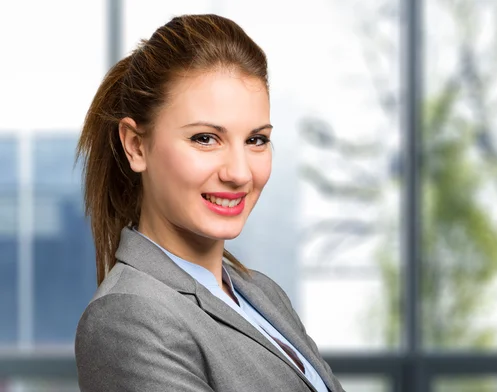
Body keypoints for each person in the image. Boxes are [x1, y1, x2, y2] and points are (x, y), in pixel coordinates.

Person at [74, 14, 344, 392]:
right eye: (205, 138)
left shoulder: (262, 293)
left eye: (256, 140)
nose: (239, 173)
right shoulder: (126, 315)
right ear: (136, 145)